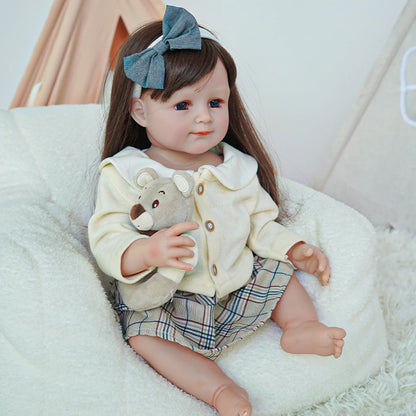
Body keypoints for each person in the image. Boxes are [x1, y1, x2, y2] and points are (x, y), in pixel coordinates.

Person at [88, 6, 346, 416]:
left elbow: (260, 224)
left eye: (214, 101)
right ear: (140, 112)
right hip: (171, 297)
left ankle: (301, 327)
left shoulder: (236, 168)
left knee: (277, 271)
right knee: (143, 336)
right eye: (181, 106)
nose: (205, 118)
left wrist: (295, 248)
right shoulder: (126, 172)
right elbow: (107, 235)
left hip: (237, 280)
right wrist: (146, 253)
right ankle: (220, 390)